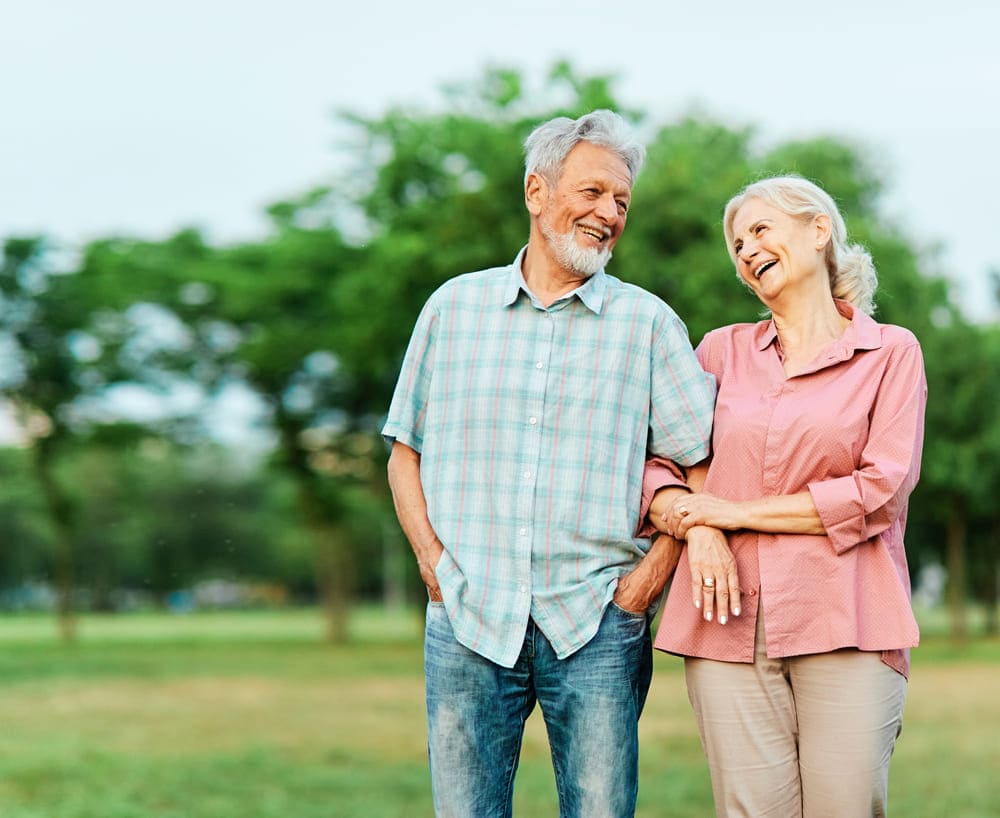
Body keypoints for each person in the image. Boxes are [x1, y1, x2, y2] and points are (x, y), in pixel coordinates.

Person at [383, 109, 717, 817]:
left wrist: (642, 588)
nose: (608, 213)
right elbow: (403, 451)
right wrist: (434, 567)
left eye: (621, 201)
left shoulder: (649, 324)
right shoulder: (452, 308)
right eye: (593, 192)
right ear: (537, 192)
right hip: (468, 615)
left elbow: (701, 465)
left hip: (597, 622)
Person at [643, 175, 926, 817]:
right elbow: (659, 463)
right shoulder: (720, 351)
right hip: (725, 624)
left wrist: (733, 512)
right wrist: (702, 529)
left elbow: (881, 489)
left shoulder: (890, 353)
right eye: (737, 243)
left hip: (849, 620)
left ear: (818, 229)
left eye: (761, 230)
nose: (746, 250)